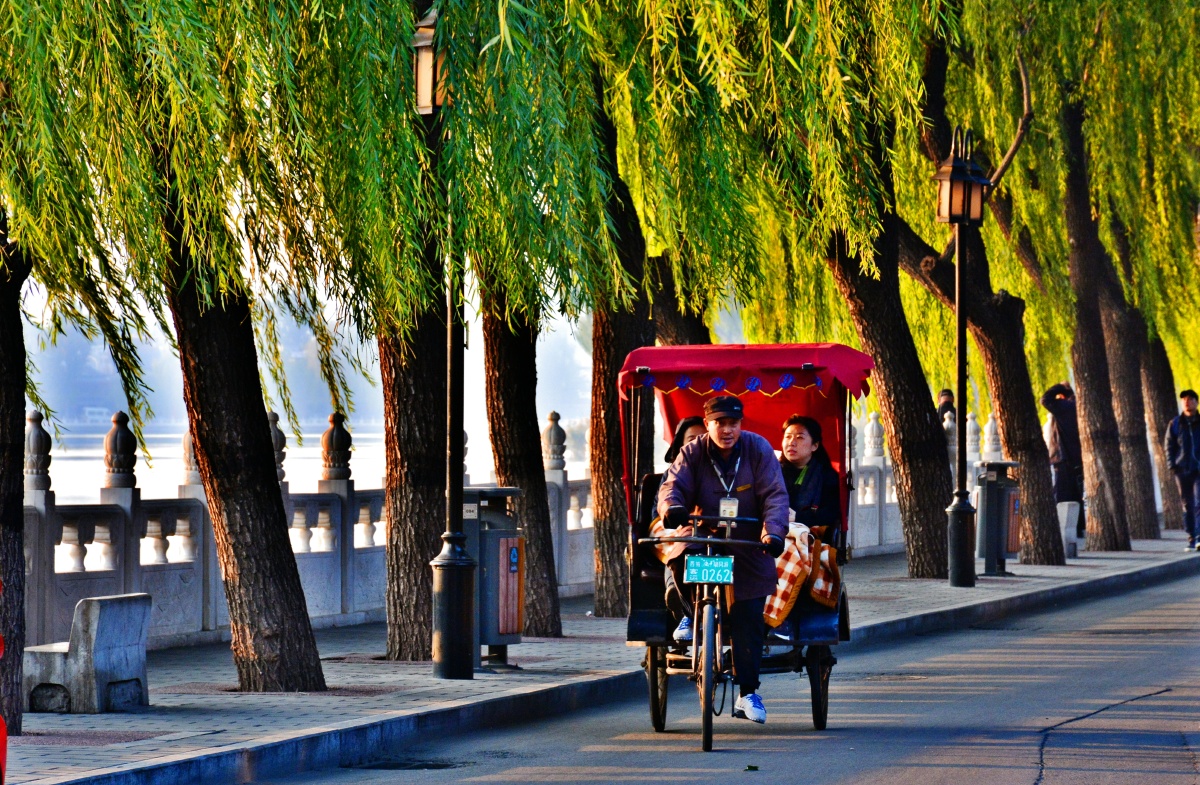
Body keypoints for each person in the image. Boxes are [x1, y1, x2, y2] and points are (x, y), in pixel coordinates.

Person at [657, 395, 789, 724]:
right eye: (720, 423)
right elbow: (672, 486)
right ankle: (690, 614)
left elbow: (775, 494)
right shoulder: (693, 451)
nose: (727, 430)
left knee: (748, 615)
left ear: (741, 424)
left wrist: (772, 532)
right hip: (704, 535)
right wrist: (672, 508)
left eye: (733, 423)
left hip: (747, 539)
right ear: (708, 424)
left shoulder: (758, 449)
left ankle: (748, 694)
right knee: (679, 553)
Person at [779, 415, 841, 535]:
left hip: (810, 536)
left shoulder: (827, 476)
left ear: (815, 445)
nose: (792, 442)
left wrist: (798, 517)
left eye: (800, 437)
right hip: (774, 532)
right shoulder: (772, 472)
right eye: (787, 437)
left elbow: (830, 514)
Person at [1041, 382, 1085, 539]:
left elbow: (1045, 399)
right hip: (1076, 458)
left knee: (1062, 495)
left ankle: (1061, 531)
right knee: (1075, 495)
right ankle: (1078, 529)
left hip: (1063, 457)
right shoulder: (1077, 407)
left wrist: (1059, 387)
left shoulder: (1064, 407)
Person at [1165, 389, 1200, 551]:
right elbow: (1169, 446)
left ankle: (1199, 536)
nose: (1187, 402)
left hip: (1198, 469)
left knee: (1199, 502)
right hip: (1182, 470)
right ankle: (1191, 537)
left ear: (1196, 402)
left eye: (1190, 399)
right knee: (1187, 504)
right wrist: (1172, 465)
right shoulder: (1175, 423)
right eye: (1184, 399)